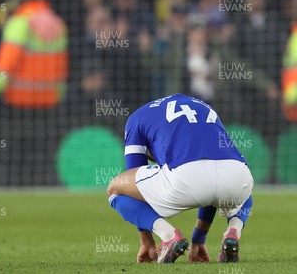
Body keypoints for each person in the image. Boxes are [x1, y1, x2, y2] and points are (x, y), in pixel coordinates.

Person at [106, 94, 254, 263]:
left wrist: (146, 241)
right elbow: (211, 183)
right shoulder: (204, 106)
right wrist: (199, 239)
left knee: (116, 188)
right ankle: (233, 230)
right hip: (237, 174)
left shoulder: (136, 118)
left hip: (187, 178)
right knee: (242, 190)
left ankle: (169, 236)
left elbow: (134, 177)